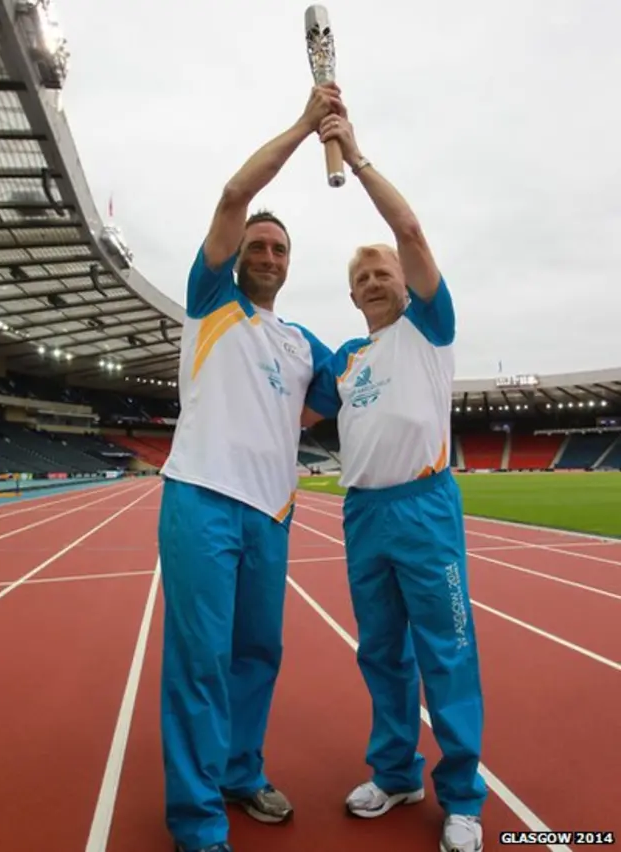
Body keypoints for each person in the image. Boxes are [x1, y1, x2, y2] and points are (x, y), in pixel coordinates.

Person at [158, 83, 345, 852]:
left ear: (291, 265)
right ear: (238, 255)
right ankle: (198, 822)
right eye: (257, 245)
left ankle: (240, 771)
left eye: (278, 249)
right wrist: (308, 126)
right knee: (199, 663)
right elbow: (237, 190)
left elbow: (361, 384)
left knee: (257, 654)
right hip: (202, 498)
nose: (266, 255)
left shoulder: (303, 343)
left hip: (271, 511)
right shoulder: (210, 302)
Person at [305, 110, 488, 852]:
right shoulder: (346, 359)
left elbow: (409, 231)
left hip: (424, 509)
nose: (376, 279)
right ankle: (396, 771)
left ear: (405, 284)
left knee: (446, 650)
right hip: (364, 516)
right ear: (352, 297)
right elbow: (278, 393)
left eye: (383, 272)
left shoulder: (429, 330)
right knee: (380, 651)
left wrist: (354, 154)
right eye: (362, 277)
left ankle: (464, 796)